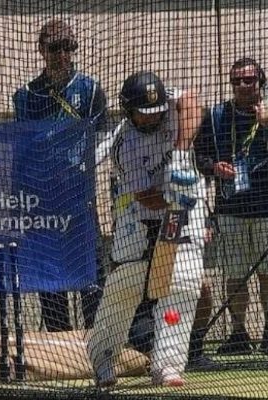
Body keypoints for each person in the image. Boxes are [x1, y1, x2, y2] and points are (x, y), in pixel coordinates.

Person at [87, 71, 207, 387]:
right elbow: (147, 199)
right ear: (129, 110)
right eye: (144, 112)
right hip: (138, 213)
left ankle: (167, 365)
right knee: (126, 284)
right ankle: (103, 360)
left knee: (183, 279)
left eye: (157, 112)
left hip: (182, 207)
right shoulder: (123, 144)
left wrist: (181, 155)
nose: (153, 118)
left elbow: (194, 102)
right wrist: (169, 191)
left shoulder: (171, 105)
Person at [194, 57, 268, 355]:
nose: (241, 86)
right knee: (235, 274)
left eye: (247, 80)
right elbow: (200, 158)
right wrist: (214, 167)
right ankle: (238, 333)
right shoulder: (216, 115)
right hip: (230, 209)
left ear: (260, 82)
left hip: (267, 208)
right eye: (235, 80)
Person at [13, 18, 107, 332]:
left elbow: (102, 139)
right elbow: (22, 147)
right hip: (43, 197)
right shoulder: (26, 95)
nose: (63, 54)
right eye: (55, 47)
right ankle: (59, 339)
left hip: (80, 196)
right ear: (41, 50)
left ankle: (95, 337)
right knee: (49, 270)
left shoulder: (90, 89)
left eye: (69, 46)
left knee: (90, 269)